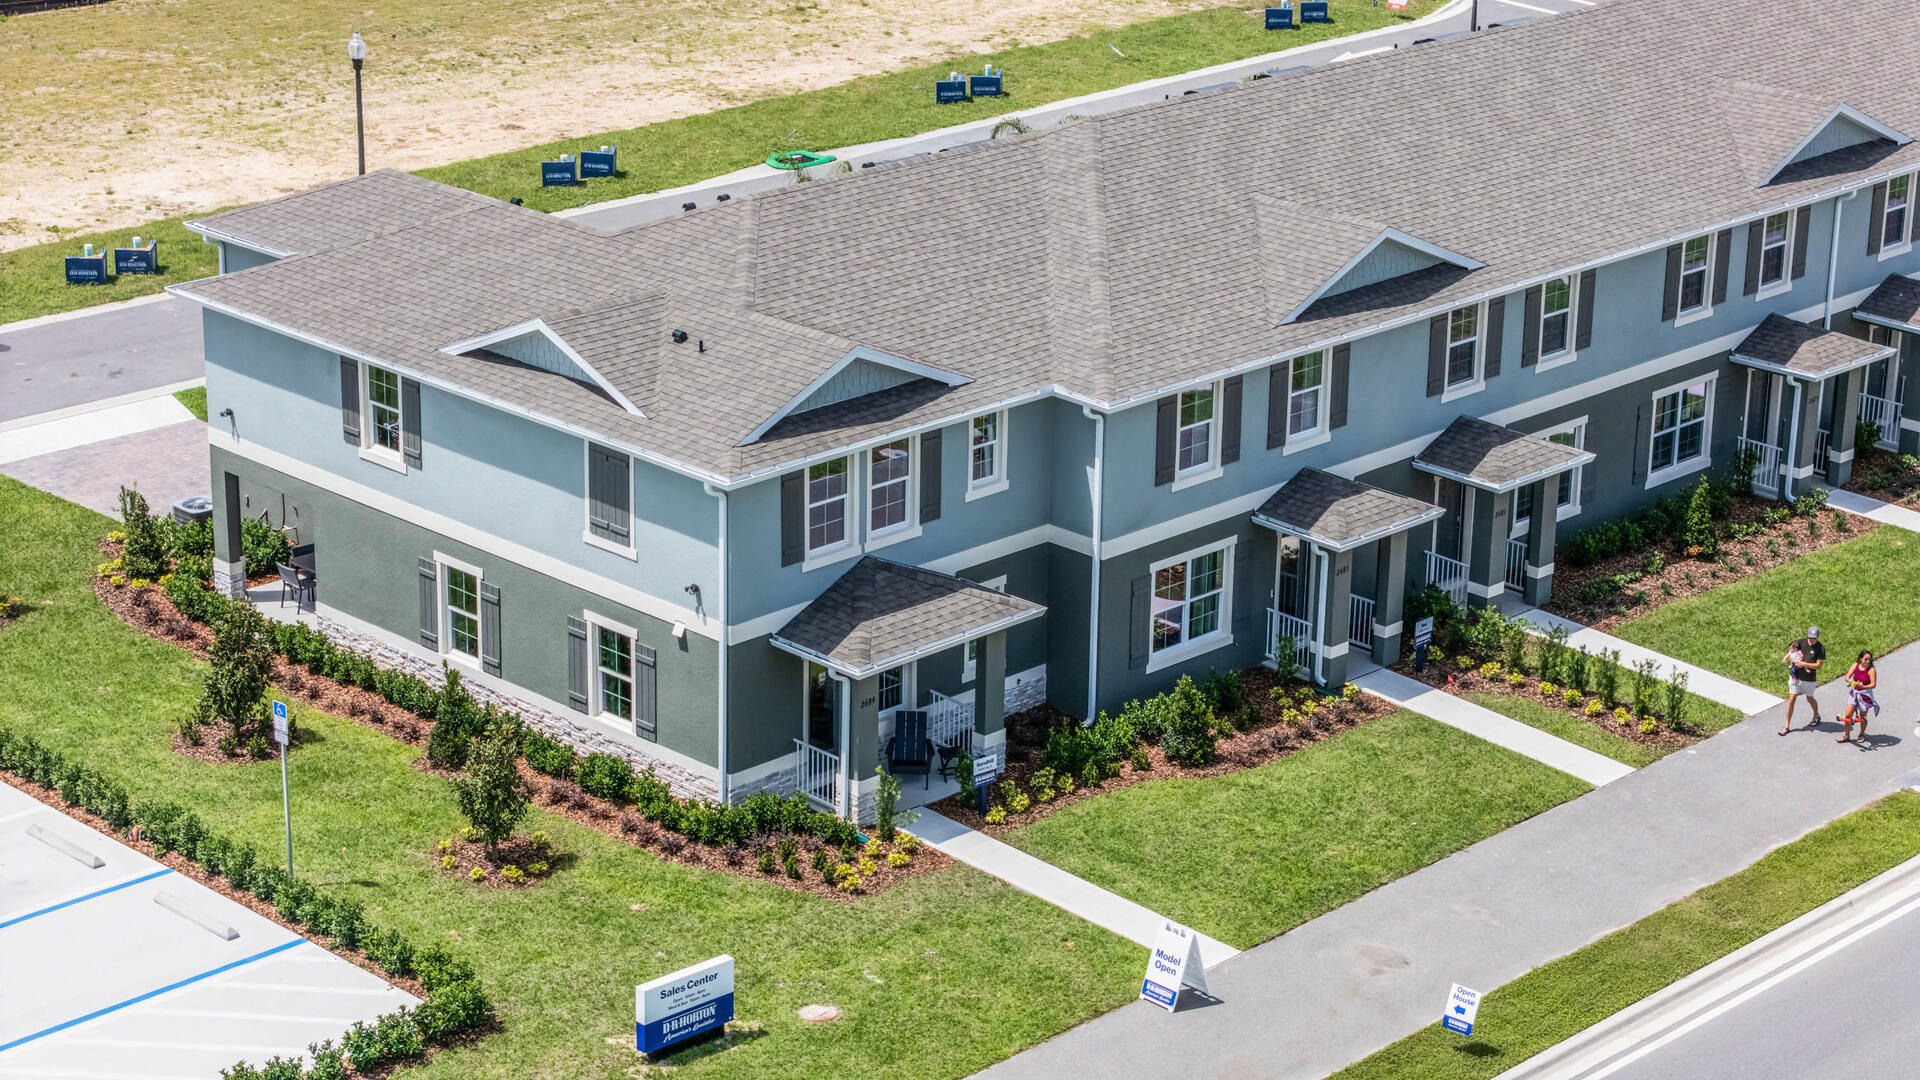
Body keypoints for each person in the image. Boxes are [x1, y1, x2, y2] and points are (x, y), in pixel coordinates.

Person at [1779, 626, 1826, 736]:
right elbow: (1791, 653)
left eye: (1814, 638)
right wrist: (1794, 660)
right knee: (1792, 698)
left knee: (1809, 698)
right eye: (1810, 637)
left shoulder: (1820, 648)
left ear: (1817, 637)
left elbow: (1818, 665)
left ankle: (1816, 715)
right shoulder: (1801, 642)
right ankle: (1786, 725)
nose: (1811, 640)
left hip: (1809, 679)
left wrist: (1805, 664)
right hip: (1796, 676)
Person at [1839, 650, 1878, 743]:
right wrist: (1852, 683)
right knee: (1848, 715)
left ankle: (1862, 734)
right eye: (1866, 659)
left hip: (1865, 695)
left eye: (1869, 659)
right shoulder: (1855, 665)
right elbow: (1847, 677)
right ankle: (1846, 735)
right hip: (1854, 693)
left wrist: (1862, 686)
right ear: (1860, 659)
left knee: (1862, 717)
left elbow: (1873, 685)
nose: (1868, 661)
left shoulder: (1871, 670)